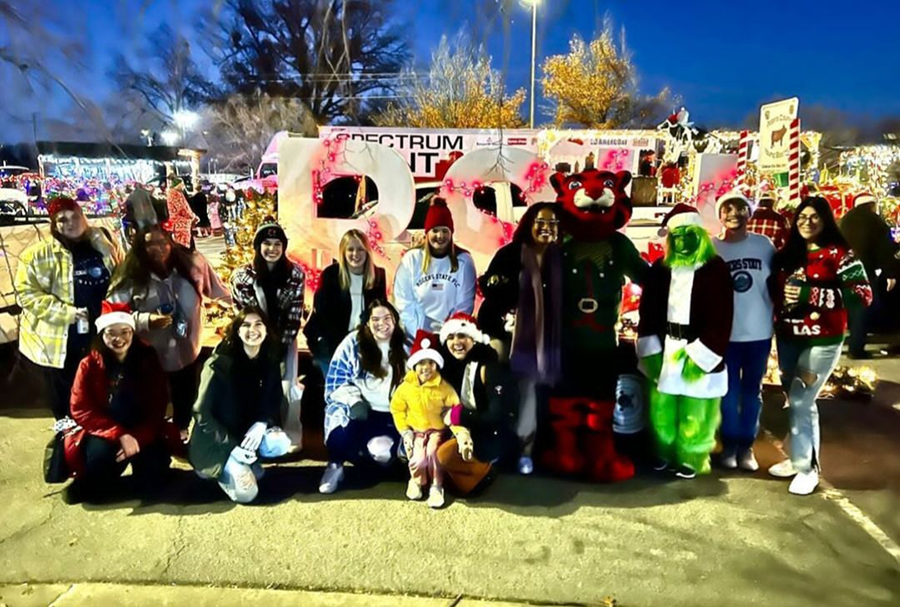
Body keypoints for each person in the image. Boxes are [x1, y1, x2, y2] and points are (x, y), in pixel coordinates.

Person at [768, 197, 872, 495]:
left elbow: (862, 296)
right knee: (795, 399)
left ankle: (807, 467)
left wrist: (811, 296)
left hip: (822, 340)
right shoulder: (787, 254)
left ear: (826, 220)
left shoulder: (841, 255)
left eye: (814, 217)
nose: (807, 222)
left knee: (802, 399)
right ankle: (798, 454)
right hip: (788, 337)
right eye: (802, 216)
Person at [107, 225, 231, 438]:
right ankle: (152, 438)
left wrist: (240, 314)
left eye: (162, 241)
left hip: (186, 350)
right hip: (150, 354)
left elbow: (219, 292)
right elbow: (112, 317)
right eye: (149, 243)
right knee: (152, 400)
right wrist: (145, 320)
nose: (158, 248)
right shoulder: (130, 275)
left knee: (186, 396)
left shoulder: (194, 264)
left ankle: (182, 432)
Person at [637, 204, 733, 479]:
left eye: (688, 235)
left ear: (700, 236)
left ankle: (692, 456)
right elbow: (649, 309)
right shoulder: (661, 268)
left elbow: (722, 315)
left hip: (699, 346)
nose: (682, 242)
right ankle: (662, 452)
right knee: (661, 408)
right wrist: (650, 347)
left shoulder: (715, 269)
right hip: (666, 346)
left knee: (697, 409)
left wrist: (704, 353)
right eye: (676, 236)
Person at [15, 197, 119, 423]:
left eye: (75, 216)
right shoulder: (36, 255)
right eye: (62, 219)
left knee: (98, 395)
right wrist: (68, 313)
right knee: (66, 404)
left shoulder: (103, 246)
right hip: (58, 345)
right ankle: (68, 445)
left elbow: (118, 281)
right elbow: (27, 295)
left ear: (84, 217)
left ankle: (95, 442)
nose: (70, 223)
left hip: (99, 337)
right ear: (53, 224)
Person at [63, 301, 179, 502]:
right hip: (106, 429)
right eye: (111, 333)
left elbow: (158, 404)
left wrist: (138, 438)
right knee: (100, 462)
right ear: (101, 334)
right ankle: (97, 479)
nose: (119, 339)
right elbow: (81, 408)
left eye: (125, 331)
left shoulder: (147, 358)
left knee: (155, 474)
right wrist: (120, 435)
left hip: (142, 426)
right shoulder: (89, 364)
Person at [477, 202, 562, 475]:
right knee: (503, 394)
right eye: (541, 221)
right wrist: (498, 332)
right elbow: (491, 291)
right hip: (506, 337)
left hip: (541, 342)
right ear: (529, 223)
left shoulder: (561, 258)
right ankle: (499, 448)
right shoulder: (510, 254)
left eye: (552, 223)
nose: (546, 228)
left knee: (529, 395)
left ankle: (526, 450)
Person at [189, 308, 292, 503]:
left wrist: (262, 423)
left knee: (280, 443)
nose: (253, 330)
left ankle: (246, 463)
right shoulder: (218, 364)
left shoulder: (268, 359)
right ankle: (222, 468)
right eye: (246, 325)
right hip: (218, 441)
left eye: (258, 324)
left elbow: (274, 397)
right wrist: (232, 446)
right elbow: (201, 412)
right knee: (247, 493)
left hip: (246, 432)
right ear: (237, 332)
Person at [713, 191, 775, 471]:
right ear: (720, 214)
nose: (734, 214)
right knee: (727, 394)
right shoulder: (712, 248)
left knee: (752, 394)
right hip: (725, 334)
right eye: (727, 209)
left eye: (740, 208)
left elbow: (778, 284)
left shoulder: (764, 245)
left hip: (759, 333)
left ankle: (746, 447)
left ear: (749, 213)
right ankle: (728, 446)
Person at [319, 301, 408, 494]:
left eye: (387, 319)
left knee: (381, 452)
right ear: (367, 323)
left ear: (395, 320)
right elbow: (336, 379)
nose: (381, 324)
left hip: (393, 413)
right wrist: (354, 400)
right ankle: (335, 465)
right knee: (339, 426)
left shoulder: (406, 344)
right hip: (360, 409)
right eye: (375, 319)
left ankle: (372, 460)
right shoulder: (353, 343)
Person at [230, 220, 305, 444]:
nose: (272, 249)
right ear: (258, 246)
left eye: (277, 244)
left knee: (289, 386)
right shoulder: (242, 277)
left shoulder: (295, 275)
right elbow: (246, 318)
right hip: (252, 339)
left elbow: (294, 315)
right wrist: (260, 348)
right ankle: (252, 429)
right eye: (266, 243)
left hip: (284, 338)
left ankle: (292, 435)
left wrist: (279, 346)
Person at [437, 312, 519, 495]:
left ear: (473, 339)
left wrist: (460, 415)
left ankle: (486, 468)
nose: (456, 342)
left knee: (445, 455)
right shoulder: (450, 366)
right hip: (466, 427)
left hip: (491, 431)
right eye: (450, 337)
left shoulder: (488, 366)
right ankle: (473, 476)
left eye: (462, 336)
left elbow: (497, 414)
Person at [390, 330, 468, 509]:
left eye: (431, 363)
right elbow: (397, 409)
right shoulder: (405, 388)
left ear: (437, 365)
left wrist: (459, 432)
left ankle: (436, 485)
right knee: (417, 459)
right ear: (414, 365)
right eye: (421, 363)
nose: (426, 367)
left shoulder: (444, 388)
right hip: (416, 432)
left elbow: (455, 409)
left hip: (437, 431)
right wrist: (405, 431)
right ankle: (417, 481)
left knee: (433, 453)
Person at [303, 229, 387, 379]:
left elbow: (380, 312)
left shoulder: (378, 276)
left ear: (367, 251)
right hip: (331, 344)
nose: (356, 254)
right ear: (343, 252)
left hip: (363, 343)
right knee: (339, 391)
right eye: (351, 249)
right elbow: (323, 315)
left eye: (361, 249)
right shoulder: (331, 275)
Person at [393, 198, 476, 339]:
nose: (440, 236)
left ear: (451, 233)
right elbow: (404, 303)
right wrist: (420, 334)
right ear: (427, 233)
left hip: (451, 337)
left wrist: (448, 334)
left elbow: (464, 305)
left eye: (445, 230)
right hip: (416, 335)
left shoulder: (464, 261)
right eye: (435, 230)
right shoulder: (411, 260)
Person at [839, 192, 898, 359]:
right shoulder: (875, 222)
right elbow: (884, 250)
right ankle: (856, 348)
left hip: (844, 271)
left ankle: (850, 341)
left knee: (851, 310)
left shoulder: (845, 220)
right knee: (865, 310)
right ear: (872, 205)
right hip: (864, 272)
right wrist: (890, 273)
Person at [163, 176, 197, 249]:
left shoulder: (173, 193)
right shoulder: (175, 194)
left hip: (179, 222)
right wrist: (192, 216)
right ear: (178, 185)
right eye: (182, 184)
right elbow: (182, 208)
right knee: (183, 243)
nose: (183, 186)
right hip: (181, 222)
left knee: (182, 242)